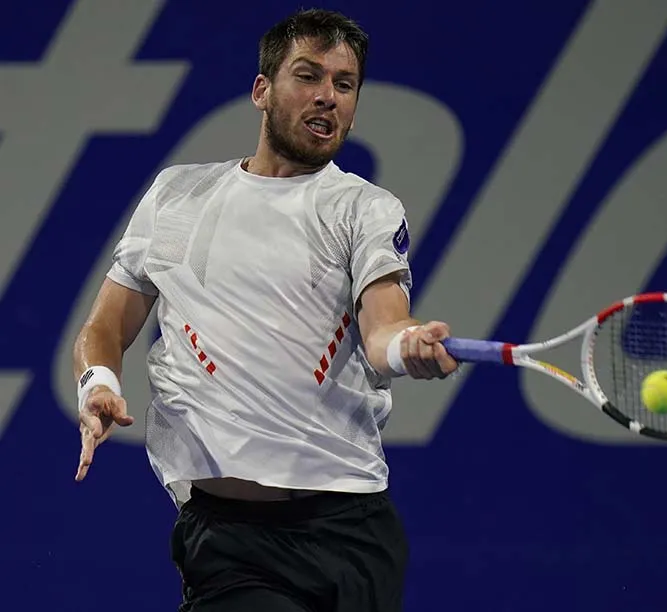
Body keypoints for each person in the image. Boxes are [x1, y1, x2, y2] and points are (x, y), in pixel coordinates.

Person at [72, 8, 458, 612]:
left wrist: (408, 348)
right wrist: (98, 382)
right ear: (262, 90)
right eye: (308, 76)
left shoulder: (365, 208)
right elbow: (104, 327)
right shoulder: (176, 197)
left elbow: (384, 326)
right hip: (228, 544)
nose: (327, 96)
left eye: (344, 83)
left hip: (350, 532)